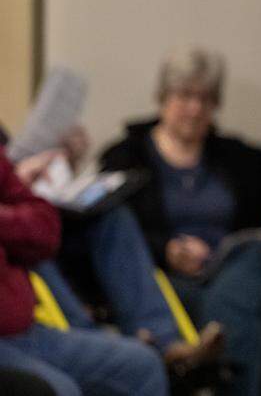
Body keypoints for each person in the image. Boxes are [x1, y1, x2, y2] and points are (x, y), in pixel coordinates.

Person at [100, 46, 261, 396]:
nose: (195, 108)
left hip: (234, 268)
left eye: (205, 99)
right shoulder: (125, 157)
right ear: (163, 97)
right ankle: (220, 365)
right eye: (185, 96)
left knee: (244, 274)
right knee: (218, 309)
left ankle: (213, 363)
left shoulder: (232, 155)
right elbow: (111, 232)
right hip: (170, 278)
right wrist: (168, 249)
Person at [5, 122, 223, 374]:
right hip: (22, 237)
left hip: (46, 215)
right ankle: (91, 342)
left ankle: (162, 339)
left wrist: (62, 163)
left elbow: (14, 185)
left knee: (113, 216)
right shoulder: (132, 148)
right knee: (31, 243)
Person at [0, 146, 169, 396]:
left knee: (142, 365)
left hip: (27, 331)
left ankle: (165, 341)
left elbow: (45, 230)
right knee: (59, 390)